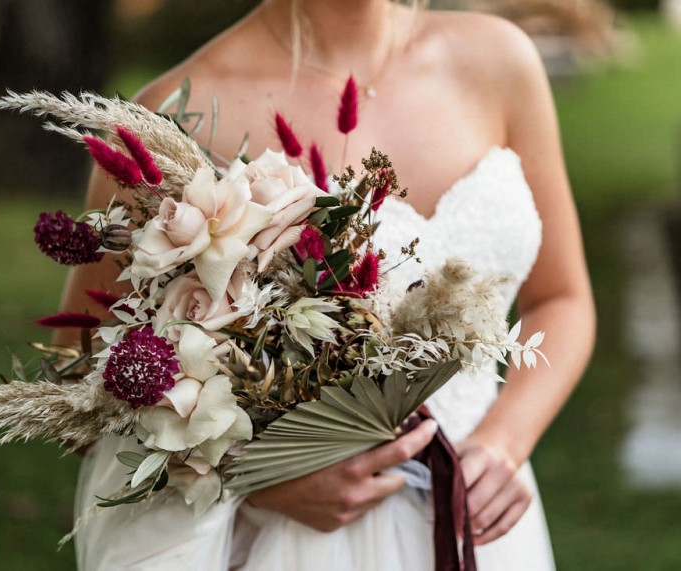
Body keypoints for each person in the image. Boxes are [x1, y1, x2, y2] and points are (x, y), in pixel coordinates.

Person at [59, 0, 596, 569]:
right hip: (293, 542)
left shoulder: (499, 58)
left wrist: (507, 440)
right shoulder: (171, 120)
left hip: (484, 522)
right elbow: (87, 370)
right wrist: (257, 480)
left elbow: (561, 298)